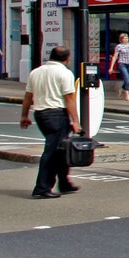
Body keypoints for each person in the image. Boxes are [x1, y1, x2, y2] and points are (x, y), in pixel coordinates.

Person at [19, 46, 81, 199]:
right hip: (57, 114)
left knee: (61, 149)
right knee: (52, 152)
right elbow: (69, 99)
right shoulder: (64, 73)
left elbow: (28, 97)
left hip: (40, 114)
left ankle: (64, 183)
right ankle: (42, 187)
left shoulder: (36, 72)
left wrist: (24, 116)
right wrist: (76, 121)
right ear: (67, 59)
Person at [111, 33, 129, 101]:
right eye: (124, 38)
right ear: (121, 39)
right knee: (127, 79)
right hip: (122, 64)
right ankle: (127, 96)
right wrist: (111, 67)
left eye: (127, 38)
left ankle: (121, 90)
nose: (126, 39)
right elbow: (115, 56)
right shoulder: (119, 46)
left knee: (128, 80)